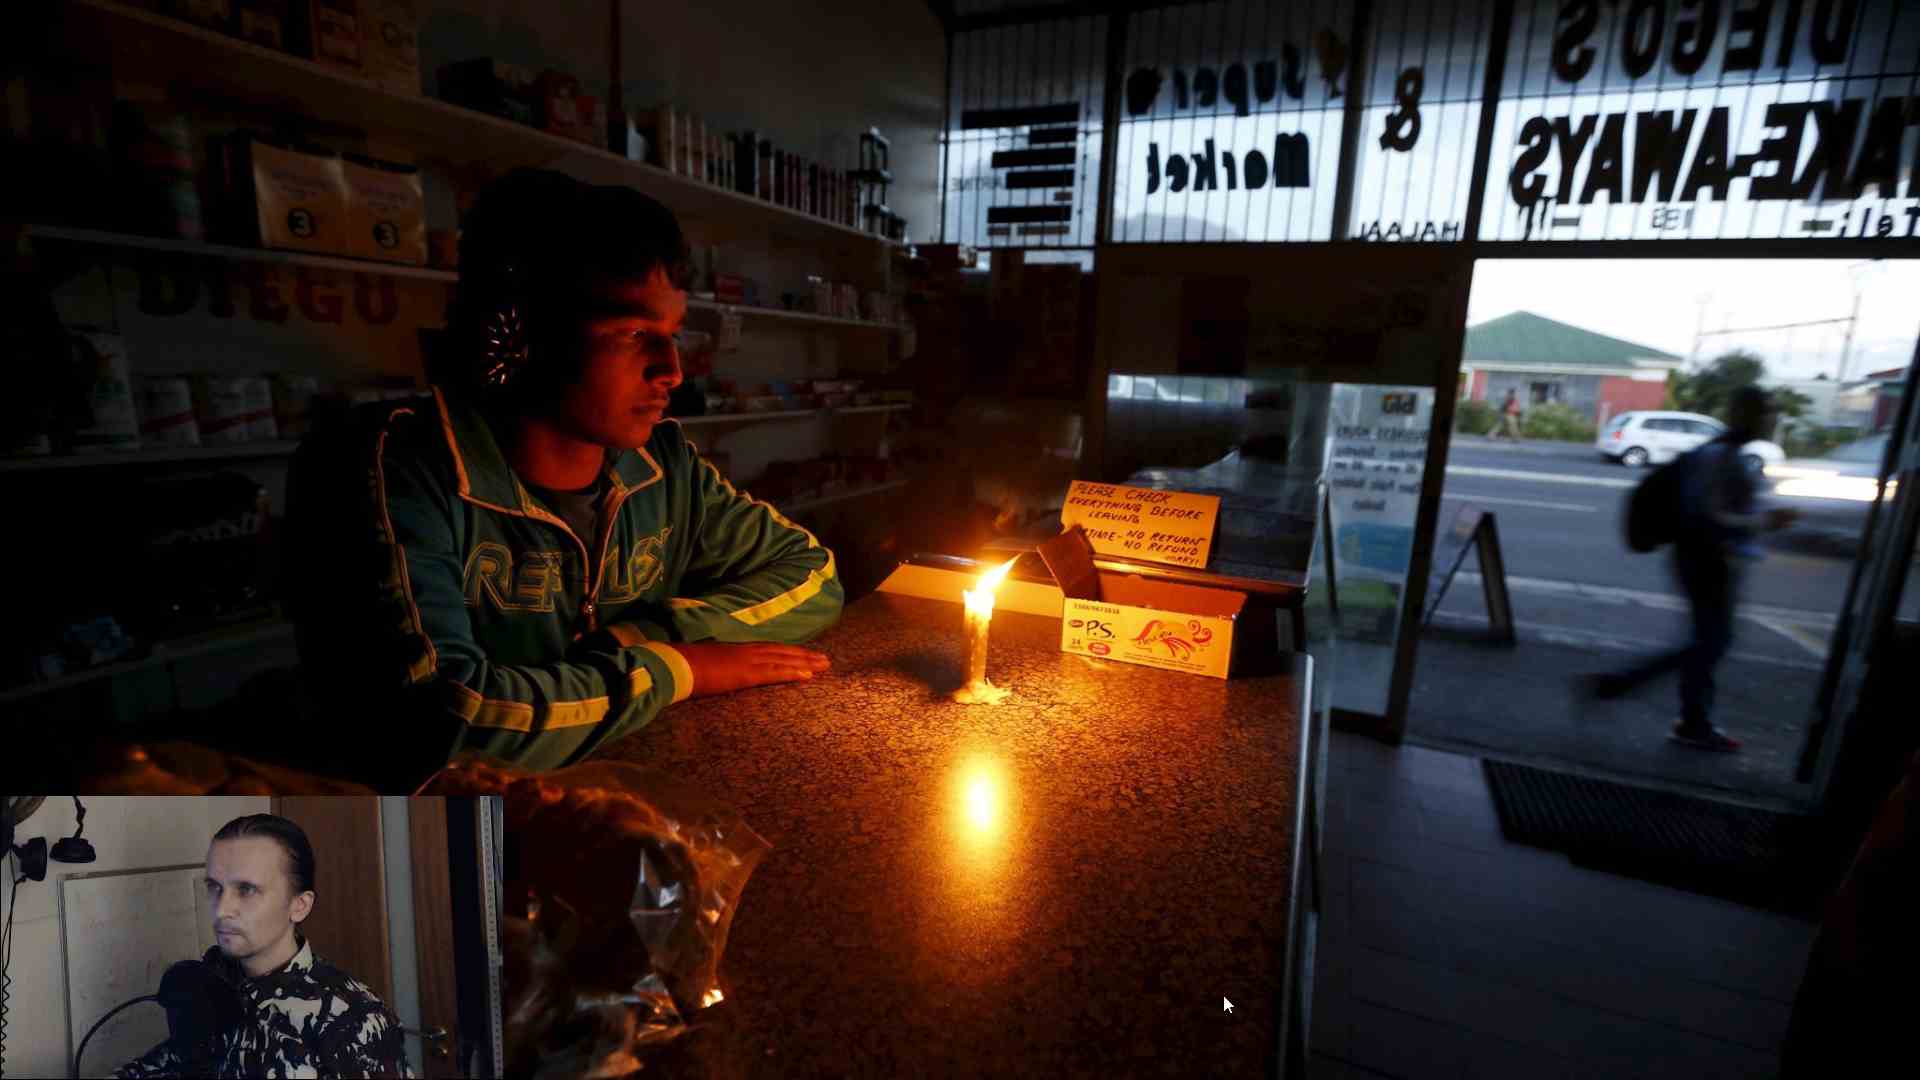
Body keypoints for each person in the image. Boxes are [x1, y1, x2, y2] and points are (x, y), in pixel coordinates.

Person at [285, 169, 842, 781]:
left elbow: (813, 576)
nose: (672, 371)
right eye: (634, 333)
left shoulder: (663, 465)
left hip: (604, 795)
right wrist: (674, 669)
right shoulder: (393, 466)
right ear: (522, 335)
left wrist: (649, 635)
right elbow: (441, 726)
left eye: (673, 335)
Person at [117, 814, 412, 1078]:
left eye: (246, 890)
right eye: (214, 887)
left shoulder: (355, 1019)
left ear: (299, 906)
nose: (221, 910)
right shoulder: (210, 984)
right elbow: (171, 1061)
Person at [1587, 386, 1797, 750]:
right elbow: (1706, 516)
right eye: (1765, 411)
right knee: (1711, 642)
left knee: (1709, 642)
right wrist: (1765, 521)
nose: (1771, 418)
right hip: (1706, 561)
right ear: (1743, 413)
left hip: (1713, 560)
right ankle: (1637, 692)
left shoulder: (1728, 454)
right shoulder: (1718, 456)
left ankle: (1684, 715)